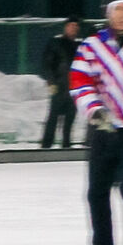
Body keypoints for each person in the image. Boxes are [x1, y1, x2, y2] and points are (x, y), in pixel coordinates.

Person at [68, 0, 123, 245]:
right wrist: (94, 110)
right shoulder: (92, 46)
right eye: (118, 9)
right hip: (103, 131)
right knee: (96, 193)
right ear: (109, 12)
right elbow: (80, 81)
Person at [40, 17, 79, 151]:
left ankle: (66, 145)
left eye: (76, 26)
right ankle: (46, 146)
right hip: (59, 86)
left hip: (74, 88)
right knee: (53, 117)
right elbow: (47, 64)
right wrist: (51, 81)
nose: (73, 29)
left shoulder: (79, 46)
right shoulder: (56, 43)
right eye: (71, 26)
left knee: (70, 117)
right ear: (65, 27)